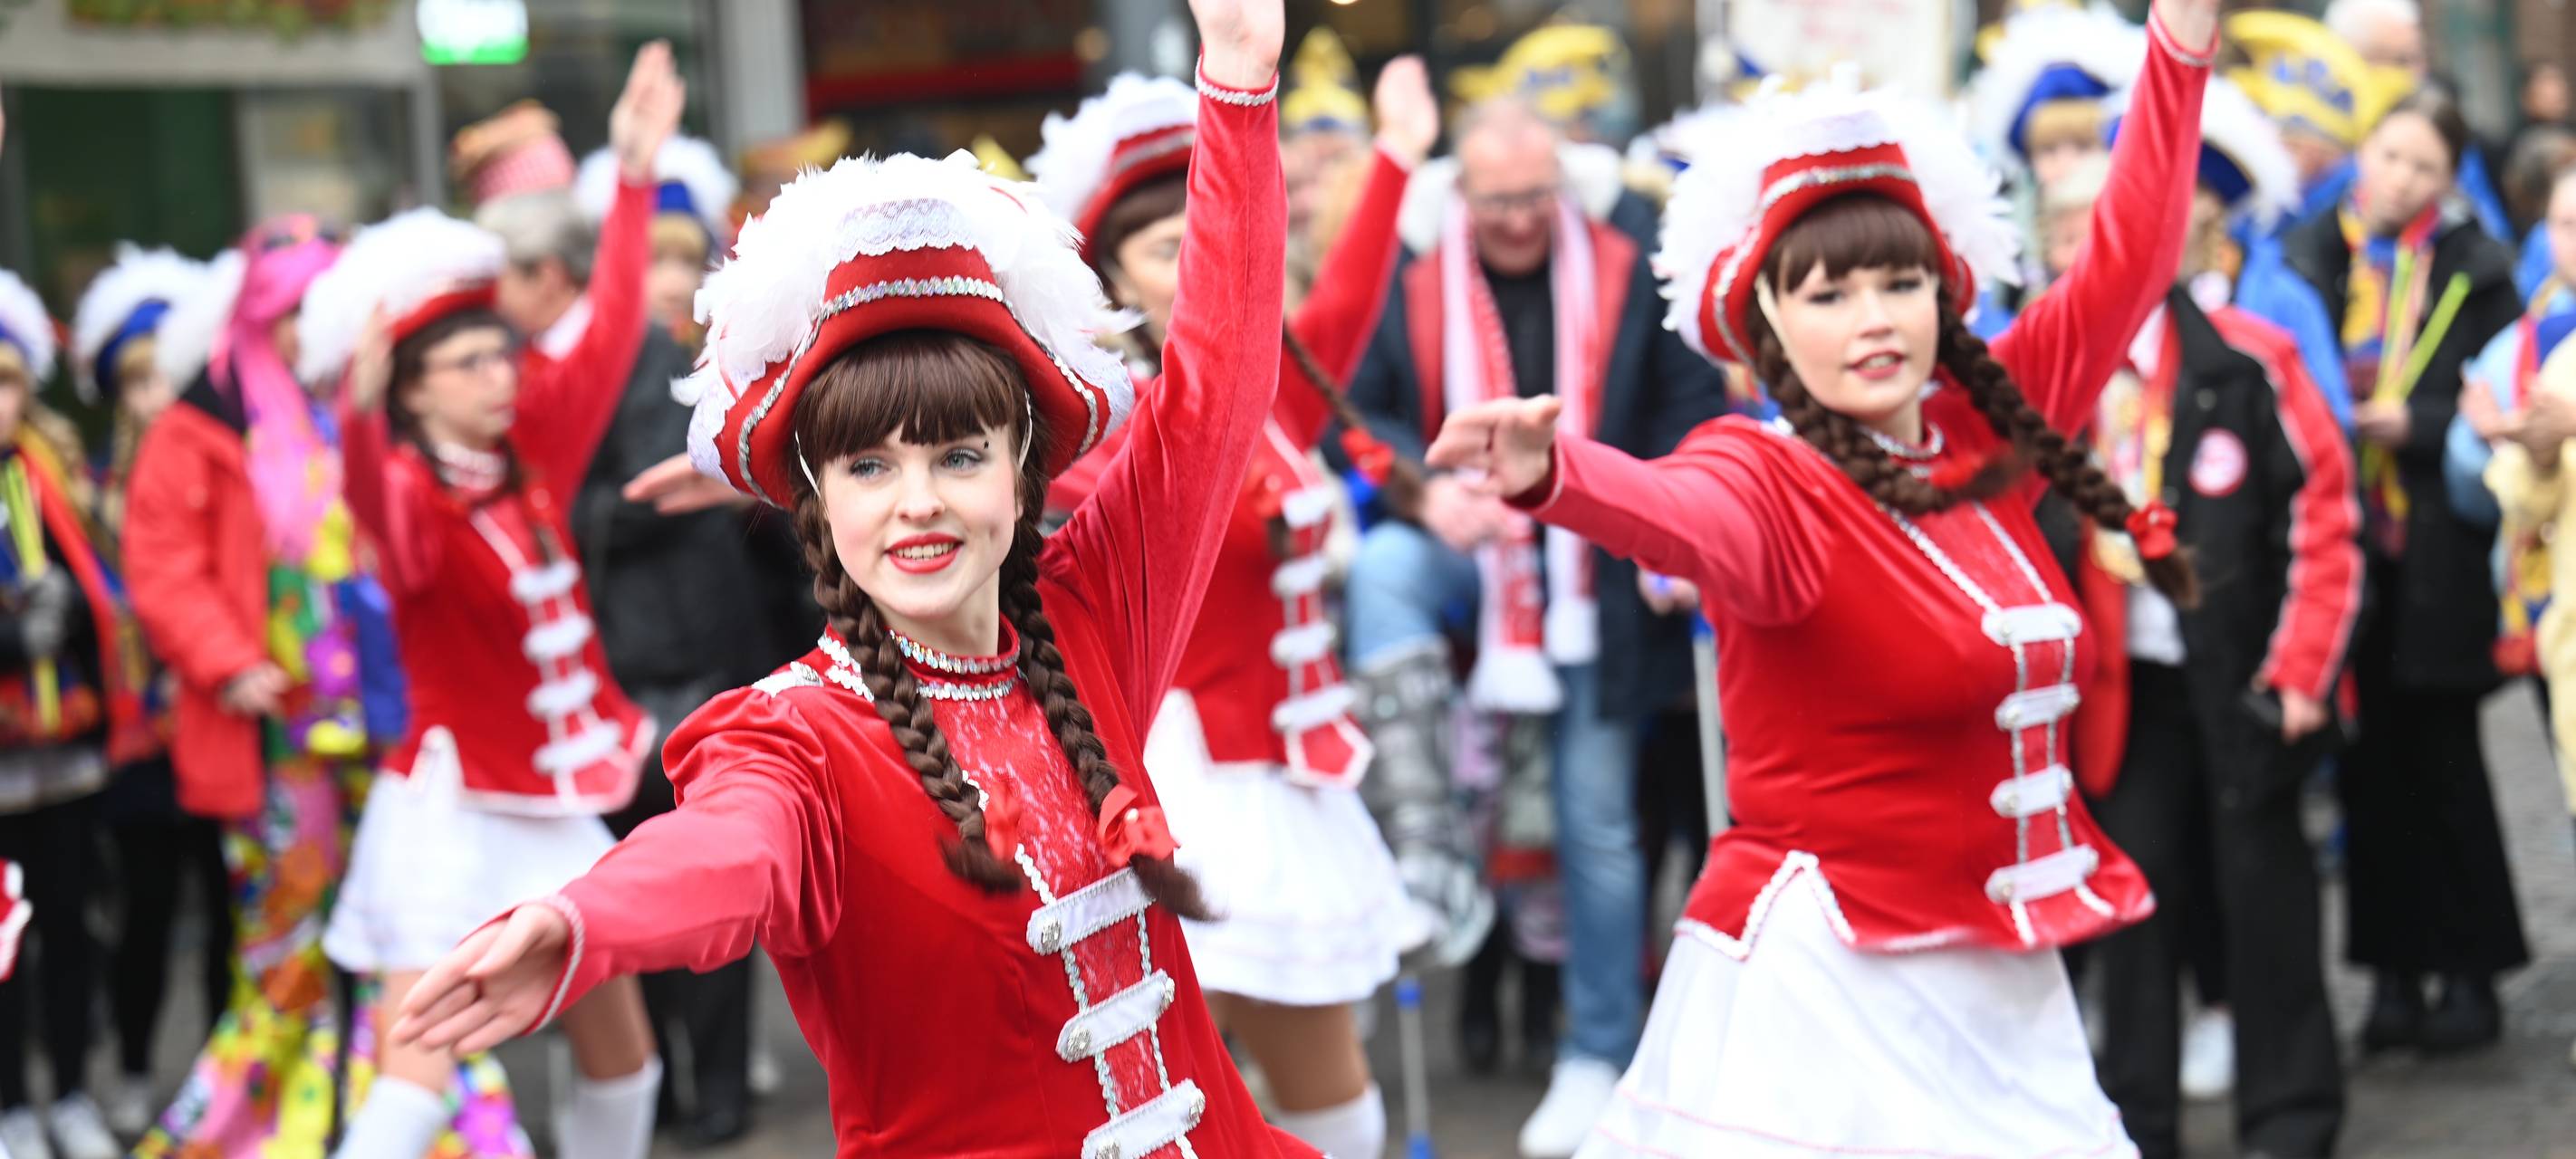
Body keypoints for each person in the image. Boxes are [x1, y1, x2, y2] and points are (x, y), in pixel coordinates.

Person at [391, 5, 1318, 1157]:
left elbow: (1219, 384)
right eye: (869, 466)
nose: (917, 501)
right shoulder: (791, 736)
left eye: (959, 455)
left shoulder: (1095, 614)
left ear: (1024, 470)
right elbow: (723, 853)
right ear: (816, 499)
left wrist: (1236, 90)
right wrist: (586, 919)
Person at [1423, 1, 2219, 1152]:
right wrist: (1559, 477)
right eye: (1827, 294)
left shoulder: (1975, 431)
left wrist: (2179, 49)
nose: (1873, 319)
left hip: (2004, 979)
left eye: (1898, 284)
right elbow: (1681, 515)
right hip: (1833, 985)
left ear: (1944, 293)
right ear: (1764, 326)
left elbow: (2129, 260)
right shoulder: (1764, 477)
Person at [1031, 51, 1435, 1159]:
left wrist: (1396, 155)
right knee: (1201, 1089)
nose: (1193, 270)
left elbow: (1342, 296)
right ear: (1114, 279)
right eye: (1165, 252)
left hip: (1292, 774)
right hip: (1191, 782)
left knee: (1310, 1095)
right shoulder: (1114, 432)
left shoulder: (1270, 397)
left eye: (1193, 244)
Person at [299, 47, 686, 1159]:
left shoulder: (529, 460)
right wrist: (361, 419)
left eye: (497, 352)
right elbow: (378, 507)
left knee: (626, 1054)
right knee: (417, 1072)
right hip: (450, 808)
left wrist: (630, 175)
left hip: (549, 802)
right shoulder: (408, 497)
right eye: (462, 363)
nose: (495, 374)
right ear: (409, 390)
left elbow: (610, 327)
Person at [1343, 88, 1730, 1157]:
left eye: (1535, 195)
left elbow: (1689, 407)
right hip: (1463, 549)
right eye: (1497, 199)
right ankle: (1417, 813)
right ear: (1460, 191)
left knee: (1597, 824)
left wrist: (1667, 522)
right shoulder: (1414, 279)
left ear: (1565, 183)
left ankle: (1599, 1046)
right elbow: (1356, 408)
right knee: (1382, 567)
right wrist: (1425, 492)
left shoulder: (1624, 255)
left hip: (1592, 580)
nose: (1518, 218)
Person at [125, 216, 530, 1159]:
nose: (315, 325)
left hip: (392, 725)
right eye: (296, 307)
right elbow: (164, 564)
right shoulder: (199, 427)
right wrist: (229, 660)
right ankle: (273, 1128)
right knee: (285, 945)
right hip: (277, 735)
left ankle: (429, 1117)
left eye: (326, 304)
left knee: (415, 935)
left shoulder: (367, 411)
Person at [2048, 91, 2362, 1154]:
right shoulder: (2047, 378)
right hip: (2115, 693)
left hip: (2242, 678)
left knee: (2266, 898)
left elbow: (2328, 517)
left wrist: (2302, 674)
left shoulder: (2249, 355)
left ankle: (2290, 1115)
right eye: (2076, 233)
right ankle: (2134, 1121)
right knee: (2133, 911)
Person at [2279, 84, 2530, 1056]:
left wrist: (2416, 425)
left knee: (2448, 770)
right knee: (2367, 775)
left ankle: (2471, 974)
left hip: (2433, 553)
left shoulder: (2477, 266)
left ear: (2447, 178)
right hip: (2341, 556)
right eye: (2390, 156)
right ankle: (2388, 980)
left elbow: (2498, 391)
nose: (2400, 179)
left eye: (2424, 166)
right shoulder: (2311, 254)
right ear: (2363, 151)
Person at [68, 244, 236, 1137]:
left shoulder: (227, 466)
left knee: (228, 908)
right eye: (137, 382)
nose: (154, 397)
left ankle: (223, 1072)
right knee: (146, 906)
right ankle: (131, 1064)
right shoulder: (84, 486)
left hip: (219, 722)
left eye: (165, 376)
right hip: (138, 742)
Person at [0, 267, 148, 1159]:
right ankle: (12, 1100)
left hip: (70, 752)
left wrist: (73, 620)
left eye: (8, 378)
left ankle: (74, 1093)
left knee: (72, 924)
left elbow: (107, 595)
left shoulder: (49, 475)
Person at [573, 134, 736, 350]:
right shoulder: (593, 356)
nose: (675, 285)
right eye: (653, 260)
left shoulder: (724, 353)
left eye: (688, 261)